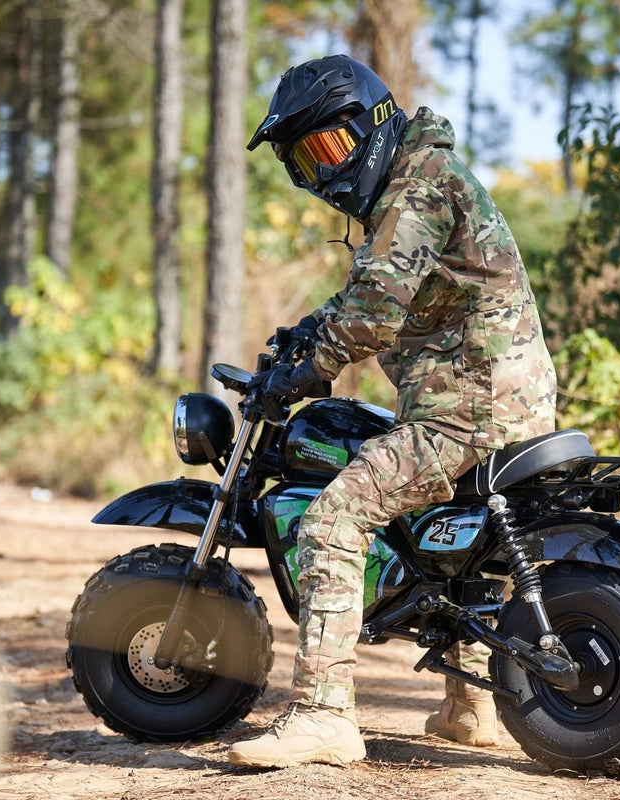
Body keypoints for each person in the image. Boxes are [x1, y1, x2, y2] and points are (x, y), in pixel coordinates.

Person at [228, 54, 557, 769]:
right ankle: (470, 707)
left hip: (467, 413)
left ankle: (323, 715)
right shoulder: (423, 179)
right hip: (503, 407)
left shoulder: (417, 187)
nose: (322, 172)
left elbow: (374, 311)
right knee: (454, 549)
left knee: (332, 521)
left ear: (373, 122)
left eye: (329, 148)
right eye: (305, 160)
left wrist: (305, 372)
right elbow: (375, 288)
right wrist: (308, 329)